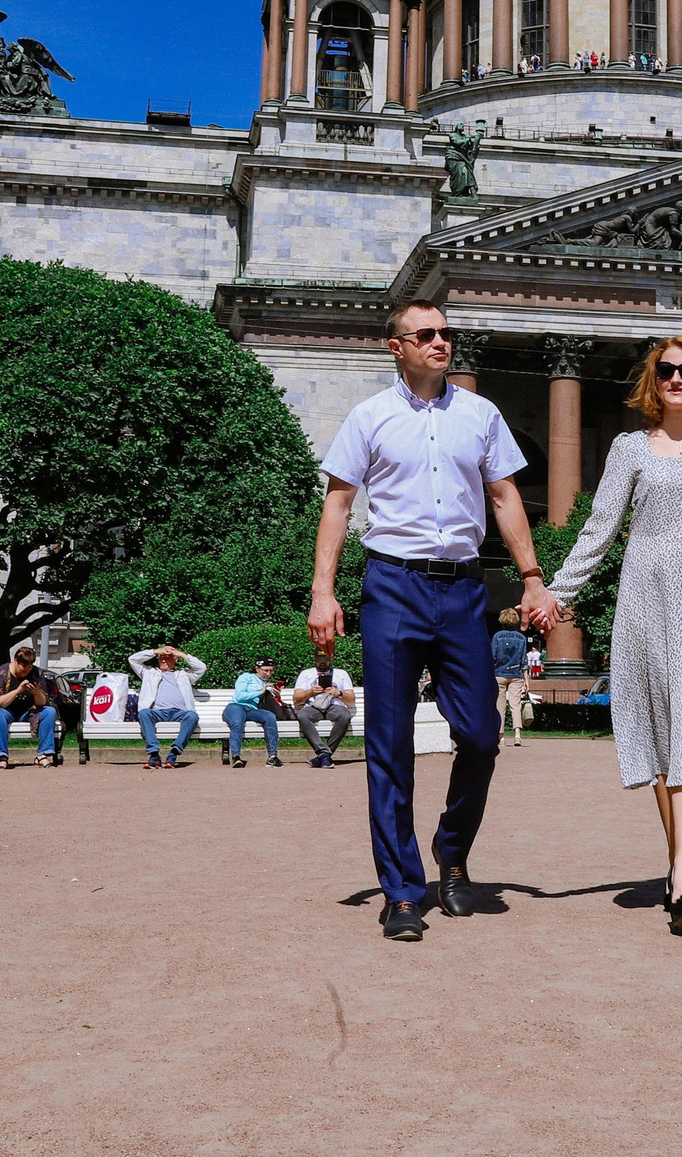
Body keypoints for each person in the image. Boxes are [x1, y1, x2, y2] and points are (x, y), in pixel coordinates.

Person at [312, 298, 551, 942]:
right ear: (396, 346)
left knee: (479, 733)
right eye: (426, 334)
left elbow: (504, 496)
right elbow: (338, 504)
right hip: (391, 584)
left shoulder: (481, 415)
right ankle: (402, 892)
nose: (441, 342)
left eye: (447, 333)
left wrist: (532, 577)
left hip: (463, 588)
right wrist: (323, 591)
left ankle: (452, 852)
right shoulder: (370, 417)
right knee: (390, 744)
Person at [545, 335, 682, 938]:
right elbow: (600, 528)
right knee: (663, 739)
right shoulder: (627, 448)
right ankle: (681, 861)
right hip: (646, 595)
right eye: (666, 370)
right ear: (654, 380)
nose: (677, 379)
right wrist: (557, 595)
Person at [0, 646, 64, 768]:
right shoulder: (2, 672)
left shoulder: (37, 673)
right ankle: (2, 757)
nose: (27, 670)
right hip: (7, 711)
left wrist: (37, 693)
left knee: (49, 711)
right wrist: (17, 690)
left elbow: (43, 702)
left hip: (29, 712)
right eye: (24, 666)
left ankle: (43, 755)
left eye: (30, 666)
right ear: (16, 661)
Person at [129, 645, 206, 768]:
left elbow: (201, 668)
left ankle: (174, 753)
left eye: (168, 657)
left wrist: (182, 655)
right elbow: (132, 659)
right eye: (161, 657)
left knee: (192, 716)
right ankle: (154, 755)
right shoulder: (149, 673)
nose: (163, 660)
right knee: (144, 713)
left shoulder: (183, 675)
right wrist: (155, 651)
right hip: (157, 712)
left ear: (175, 660)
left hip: (179, 712)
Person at [294, 644, 357, 767]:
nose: (322, 663)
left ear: (331, 657)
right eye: (319, 660)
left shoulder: (341, 674)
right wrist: (311, 692)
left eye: (325, 660)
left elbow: (351, 701)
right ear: (314, 658)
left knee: (344, 715)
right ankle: (324, 754)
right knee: (302, 716)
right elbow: (296, 700)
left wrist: (338, 693)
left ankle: (323, 755)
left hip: (334, 705)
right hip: (313, 706)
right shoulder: (306, 674)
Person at [223, 660, 285, 767]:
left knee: (270, 716)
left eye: (271, 671)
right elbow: (239, 696)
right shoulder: (246, 677)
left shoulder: (267, 684)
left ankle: (273, 756)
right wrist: (260, 692)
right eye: (265, 670)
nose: (268, 674)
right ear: (257, 669)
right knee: (237, 723)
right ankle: (236, 756)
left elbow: (269, 704)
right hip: (236, 706)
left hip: (251, 710)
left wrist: (276, 696)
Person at [492, 608, 530, 749]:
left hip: (499, 674)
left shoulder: (497, 636)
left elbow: (492, 656)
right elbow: (523, 660)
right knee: (516, 705)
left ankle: (501, 736)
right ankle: (517, 734)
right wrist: (526, 679)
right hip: (516, 675)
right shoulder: (521, 638)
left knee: (499, 706)